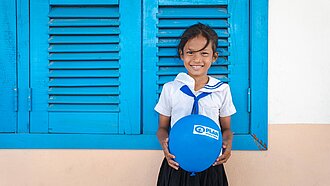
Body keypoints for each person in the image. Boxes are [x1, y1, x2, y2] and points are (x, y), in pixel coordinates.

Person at [154, 23, 236, 186]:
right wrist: (165, 145)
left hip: (211, 164)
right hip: (177, 164)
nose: (197, 60)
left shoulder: (222, 90)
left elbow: (226, 129)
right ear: (181, 55)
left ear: (214, 57)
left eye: (204, 53)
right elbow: (162, 128)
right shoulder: (170, 89)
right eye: (190, 52)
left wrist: (228, 145)